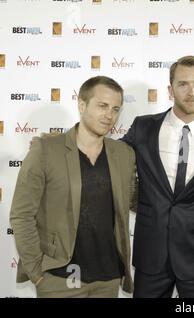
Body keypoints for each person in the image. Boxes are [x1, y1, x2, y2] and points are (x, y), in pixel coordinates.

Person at [10, 76, 136, 297]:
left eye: (116, 109)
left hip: (107, 279)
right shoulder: (46, 150)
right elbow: (21, 215)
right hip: (58, 279)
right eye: (102, 106)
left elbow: (135, 199)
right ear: (81, 104)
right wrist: (37, 272)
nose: (109, 115)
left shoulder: (124, 154)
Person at [122, 56, 194, 298]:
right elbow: (107, 157)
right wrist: (61, 143)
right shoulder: (143, 127)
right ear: (170, 89)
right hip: (151, 252)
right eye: (183, 84)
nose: (191, 91)